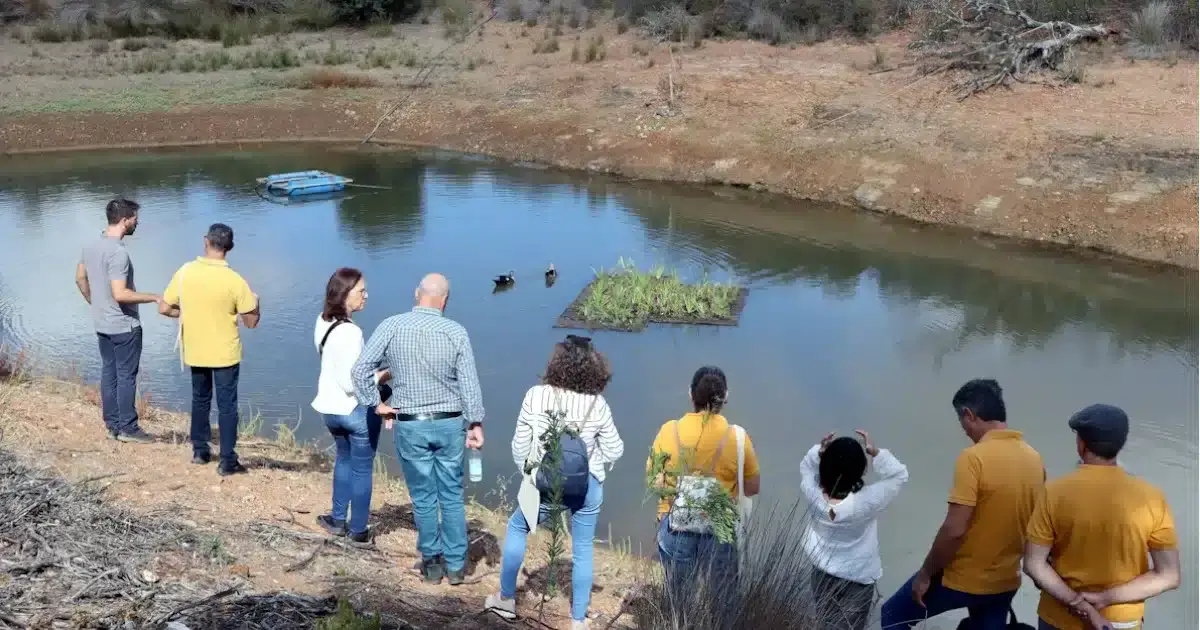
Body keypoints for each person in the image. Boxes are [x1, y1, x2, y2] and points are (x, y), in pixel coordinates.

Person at [351, 272, 484, 584]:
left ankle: (432, 564)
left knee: (424, 497)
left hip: (412, 425)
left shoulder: (392, 326)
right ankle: (455, 567)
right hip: (450, 424)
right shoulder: (456, 332)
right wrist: (475, 422)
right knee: (451, 494)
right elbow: (469, 384)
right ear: (445, 300)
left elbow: (360, 369)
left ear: (416, 294)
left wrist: (376, 403)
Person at [880, 379, 1045, 630]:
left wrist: (925, 574)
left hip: (963, 580)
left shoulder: (973, 458)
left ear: (969, 414)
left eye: (962, 422)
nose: (964, 431)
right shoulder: (1034, 458)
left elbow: (954, 530)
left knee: (893, 615)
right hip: (1005, 582)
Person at [486, 335, 625, 629]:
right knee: (583, 548)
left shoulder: (536, 395)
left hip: (544, 483)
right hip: (587, 485)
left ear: (557, 364)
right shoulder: (597, 405)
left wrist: (530, 474)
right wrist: (594, 464)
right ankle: (577, 620)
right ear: (594, 368)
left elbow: (519, 445)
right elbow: (615, 449)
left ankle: (507, 599)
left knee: (517, 528)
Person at [1023, 404, 1180, 630]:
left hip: (1059, 617)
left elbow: (1033, 564)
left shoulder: (1055, 493)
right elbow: (1169, 576)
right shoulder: (1153, 498)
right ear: (1120, 444)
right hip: (1120, 620)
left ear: (1081, 445)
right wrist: (1106, 598)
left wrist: (1078, 603)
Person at [649, 366, 761, 601]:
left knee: (678, 598)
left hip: (674, 524)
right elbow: (752, 487)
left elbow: (655, 482)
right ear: (726, 397)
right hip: (719, 529)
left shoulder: (669, 431)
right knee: (724, 600)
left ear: (691, 394)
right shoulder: (737, 437)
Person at [159, 223, 260, 476]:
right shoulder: (235, 280)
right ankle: (227, 461)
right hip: (225, 353)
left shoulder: (185, 272)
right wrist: (257, 302)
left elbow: (164, 307)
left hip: (195, 348)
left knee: (200, 399)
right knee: (227, 406)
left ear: (206, 241)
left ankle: (200, 451)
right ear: (230, 247)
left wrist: (188, 314)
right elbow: (251, 321)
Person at [799, 430, 908, 630]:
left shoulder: (812, 493)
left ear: (825, 466)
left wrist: (819, 451)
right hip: (857, 579)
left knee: (826, 623)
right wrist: (875, 452)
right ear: (861, 471)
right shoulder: (867, 502)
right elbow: (899, 475)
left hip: (821, 571)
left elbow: (806, 466)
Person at [311, 268, 389, 545]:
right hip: (355, 412)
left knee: (343, 460)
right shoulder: (352, 332)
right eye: (361, 291)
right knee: (362, 469)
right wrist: (384, 375)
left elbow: (337, 369)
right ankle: (358, 531)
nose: (366, 296)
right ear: (345, 294)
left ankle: (336, 518)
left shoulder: (322, 322)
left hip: (330, 410)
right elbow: (354, 381)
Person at [75, 198, 159, 443]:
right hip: (124, 325)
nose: (137, 223)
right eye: (135, 218)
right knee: (126, 376)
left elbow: (80, 278)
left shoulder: (90, 244)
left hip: (102, 323)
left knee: (109, 372)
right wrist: (155, 297)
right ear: (124, 221)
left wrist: (95, 302)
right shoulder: (118, 253)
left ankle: (112, 425)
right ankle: (129, 429)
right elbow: (121, 294)